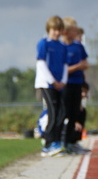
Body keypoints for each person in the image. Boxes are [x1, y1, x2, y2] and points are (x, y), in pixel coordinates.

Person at [35, 15, 68, 157]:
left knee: (62, 112)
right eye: (54, 29)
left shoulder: (62, 46)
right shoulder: (44, 43)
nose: (57, 33)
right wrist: (52, 81)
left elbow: (65, 65)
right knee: (52, 112)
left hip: (60, 84)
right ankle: (47, 144)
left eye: (59, 30)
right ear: (49, 29)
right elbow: (41, 63)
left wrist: (63, 81)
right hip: (46, 84)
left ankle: (56, 142)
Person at [62, 17, 90, 155]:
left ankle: (71, 143)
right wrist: (77, 67)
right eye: (73, 30)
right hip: (65, 84)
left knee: (75, 113)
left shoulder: (79, 46)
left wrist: (81, 66)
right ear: (66, 32)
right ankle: (61, 142)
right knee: (64, 114)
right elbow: (61, 69)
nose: (76, 32)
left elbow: (85, 63)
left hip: (78, 83)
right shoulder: (61, 47)